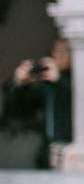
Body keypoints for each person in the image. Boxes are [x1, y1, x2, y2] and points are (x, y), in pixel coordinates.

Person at [1, 38, 72, 168]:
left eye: (65, 51)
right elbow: (15, 109)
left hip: (70, 146)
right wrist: (19, 83)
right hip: (44, 147)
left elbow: (80, 101)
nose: (59, 55)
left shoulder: (77, 79)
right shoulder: (45, 84)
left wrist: (60, 80)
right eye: (56, 51)